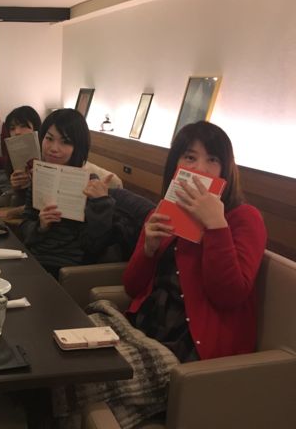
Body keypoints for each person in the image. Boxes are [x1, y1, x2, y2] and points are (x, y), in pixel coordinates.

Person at [53, 121, 267, 428]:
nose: (200, 168)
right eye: (190, 157)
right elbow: (132, 286)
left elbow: (230, 295)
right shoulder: (164, 212)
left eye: (212, 159)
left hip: (187, 347)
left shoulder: (243, 218)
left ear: (226, 169)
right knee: (59, 351)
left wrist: (216, 227)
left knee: (73, 378)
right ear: (176, 164)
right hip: (142, 327)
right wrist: (148, 249)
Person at [19, 109, 117, 277]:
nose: (53, 148)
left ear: (78, 147)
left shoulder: (91, 185)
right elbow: (24, 226)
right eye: (49, 139)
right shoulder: (40, 174)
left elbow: (95, 246)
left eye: (65, 142)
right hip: (31, 259)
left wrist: (102, 203)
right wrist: (40, 226)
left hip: (66, 270)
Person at [0, 105, 42, 220]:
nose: (17, 132)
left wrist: (11, 213)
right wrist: (16, 186)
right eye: (12, 128)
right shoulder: (13, 156)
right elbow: (20, 197)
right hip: (24, 208)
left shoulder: (47, 154)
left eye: (23, 126)